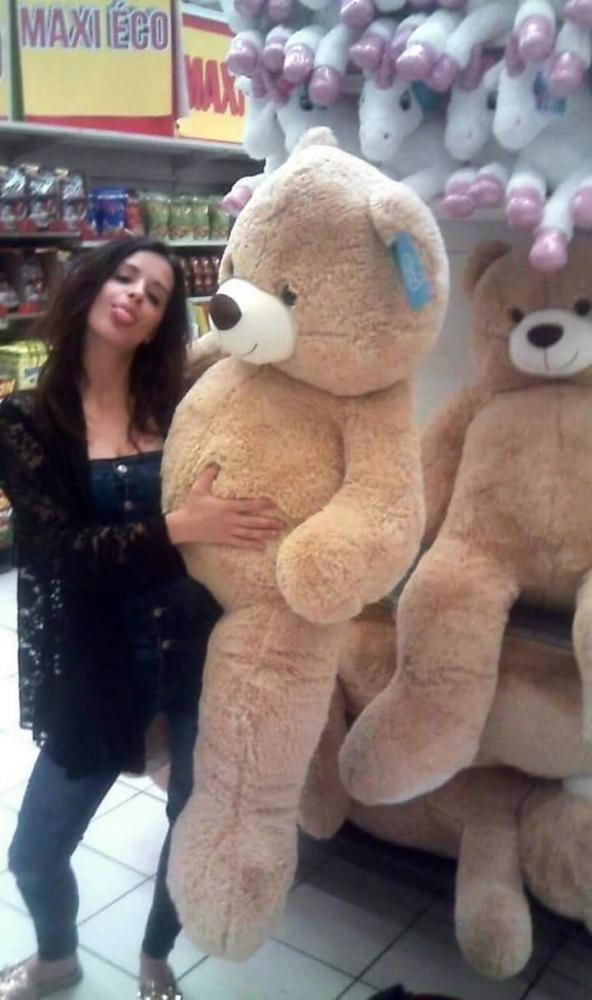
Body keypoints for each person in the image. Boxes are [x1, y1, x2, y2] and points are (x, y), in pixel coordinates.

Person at [0, 237, 284, 1000]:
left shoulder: (178, 409)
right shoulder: (26, 419)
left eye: (156, 293)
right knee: (33, 853)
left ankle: (157, 957)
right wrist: (180, 527)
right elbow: (59, 554)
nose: (135, 295)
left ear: (162, 322)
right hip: (96, 663)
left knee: (191, 821)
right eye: (124, 277)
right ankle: (57, 957)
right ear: (91, 286)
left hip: (197, 650)